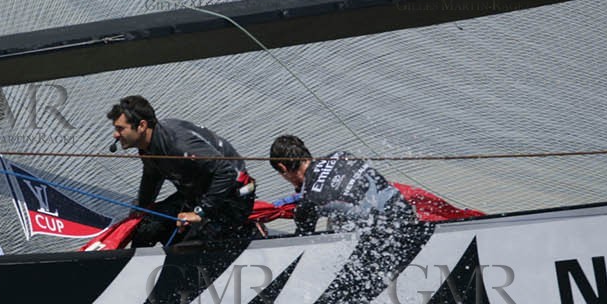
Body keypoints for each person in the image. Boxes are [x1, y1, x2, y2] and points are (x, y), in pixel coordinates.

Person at [108, 95, 255, 248]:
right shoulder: (148, 145)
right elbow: (152, 175)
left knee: (188, 249)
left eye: (120, 128)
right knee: (146, 230)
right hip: (197, 194)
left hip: (232, 197)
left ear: (142, 126)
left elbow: (226, 172)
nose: (115, 135)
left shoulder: (178, 145)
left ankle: (248, 233)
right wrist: (143, 206)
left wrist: (200, 212)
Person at [266, 135, 414, 235]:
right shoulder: (341, 155)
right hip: (407, 215)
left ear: (283, 168)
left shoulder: (309, 200)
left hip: (385, 236)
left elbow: (303, 240)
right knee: (339, 211)